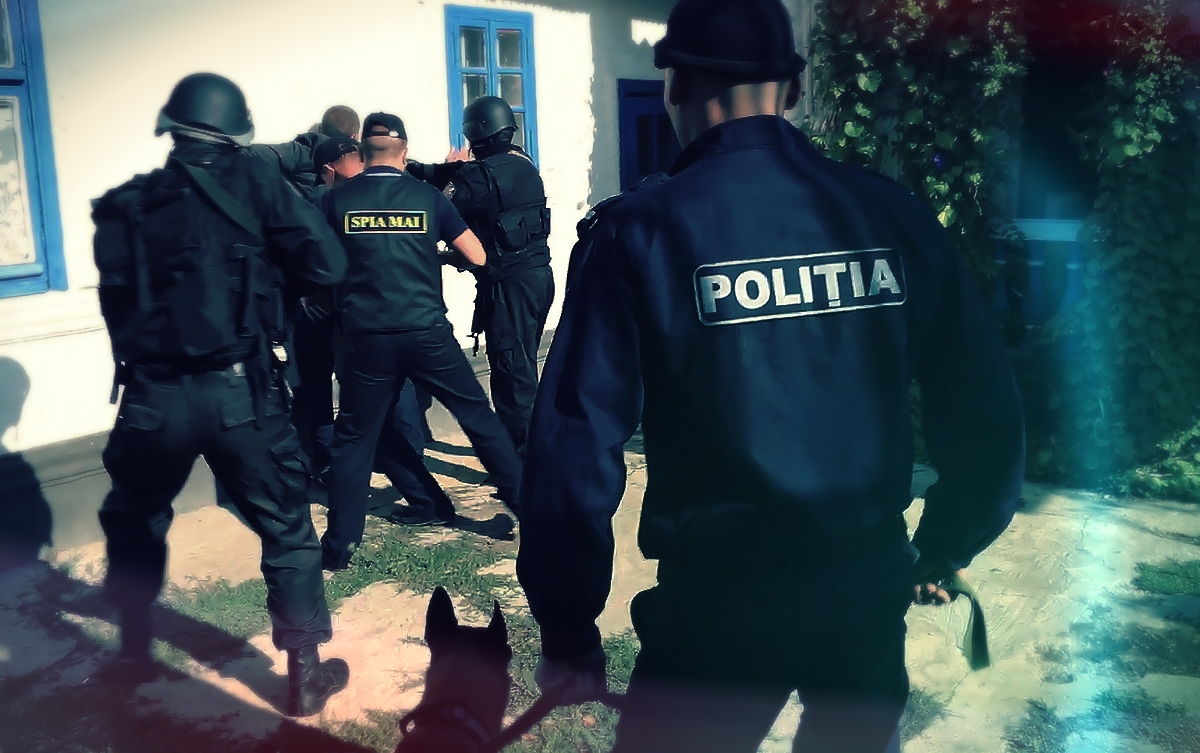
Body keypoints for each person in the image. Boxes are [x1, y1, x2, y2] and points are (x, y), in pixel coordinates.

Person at [515, 1, 1027, 751]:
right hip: (864, 594)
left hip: (717, 612)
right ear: (793, 88)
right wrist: (948, 542)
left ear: (674, 84)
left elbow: (574, 448)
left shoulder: (640, 232)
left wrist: (567, 627)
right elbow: (984, 410)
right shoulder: (892, 216)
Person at [91, 72, 351, 717]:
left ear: (173, 131)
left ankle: (132, 653)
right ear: (235, 133)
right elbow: (328, 263)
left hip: (152, 396)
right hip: (240, 392)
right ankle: (304, 678)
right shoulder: (256, 183)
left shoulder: (128, 204)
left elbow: (118, 303)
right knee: (285, 524)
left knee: (135, 517)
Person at [319, 112, 523, 571]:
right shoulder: (426, 197)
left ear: (362, 153)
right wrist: (435, 251)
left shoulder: (335, 201)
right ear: (404, 152)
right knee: (478, 418)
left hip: (366, 336)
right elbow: (477, 255)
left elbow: (313, 261)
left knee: (354, 438)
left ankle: (339, 546)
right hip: (426, 331)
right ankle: (530, 509)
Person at [408, 96, 554, 457]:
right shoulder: (522, 163)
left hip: (509, 287)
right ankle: (530, 447)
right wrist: (426, 169)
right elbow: (460, 176)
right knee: (523, 365)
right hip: (538, 279)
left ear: (475, 133)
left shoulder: (476, 177)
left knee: (511, 374)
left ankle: (524, 460)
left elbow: (439, 206)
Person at [292, 136, 363, 483]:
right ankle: (340, 461)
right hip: (346, 310)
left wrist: (306, 291)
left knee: (320, 386)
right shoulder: (334, 200)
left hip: (330, 308)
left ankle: (330, 461)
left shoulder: (313, 201)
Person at [249, 105, 361, 200]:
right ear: (354, 136)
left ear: (320, 129)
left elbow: (258, 154)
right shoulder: (358, 164)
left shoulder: (299, 150)